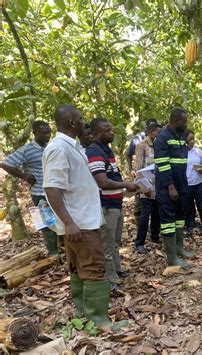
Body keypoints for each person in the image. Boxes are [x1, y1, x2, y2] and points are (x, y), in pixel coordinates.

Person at [43, 104, 110, 327]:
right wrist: (69, 223)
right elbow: (52, 188)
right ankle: (99, 321)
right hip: (79, 223)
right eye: (81, 119)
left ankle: (84, 314)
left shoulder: (73, 147)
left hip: (80, 220)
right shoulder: (58, 149)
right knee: (93, 267)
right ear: (72, 122)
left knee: (79, 267)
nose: (85, 123)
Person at [86, 118, 137, 291]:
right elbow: (102, 181)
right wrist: (125, 185)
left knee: (115, 242)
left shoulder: (107, 150)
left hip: (116, 203)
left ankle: (117, 270)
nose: (112, 133)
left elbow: (113, 176)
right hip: (105, 205)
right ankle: (111, 281)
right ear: (95, 134)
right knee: (106, 245)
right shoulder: (94, 152)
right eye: (107, 130)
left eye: (111, 129)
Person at [1, 120, 60, 256]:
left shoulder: (51, 146)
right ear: (34, 133)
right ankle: (53, 253)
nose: (47, 135)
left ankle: (64, 249)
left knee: (61, 220)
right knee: (47, 223)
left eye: (49, 133)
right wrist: (24, 176)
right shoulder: (27, 150)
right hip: (39, 193)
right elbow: (6, 164)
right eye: (43, 133)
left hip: (56, 190)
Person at [154, 108, 194, 269]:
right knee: (169, 220)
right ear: (175, 121)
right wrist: (171, 187)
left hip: (182, 184)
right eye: (184, 121)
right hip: (167, 187)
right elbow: (162, 165)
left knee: (180, 218)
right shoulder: (163, 138)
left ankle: (179, 248)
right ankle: (171, 258)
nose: (186, 124)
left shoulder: (181, 136)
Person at [125, 118, 158, 231]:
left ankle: (153, 233)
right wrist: (131, 169)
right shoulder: (138, 141)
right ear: (148, 130)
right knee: (141, 207)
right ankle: (141, 231)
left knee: (155, 209)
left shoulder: (157, 142)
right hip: (143, 179)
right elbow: (129, 155)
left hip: (155, 180)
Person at [134, 123, 162, 253]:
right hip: (147, 186)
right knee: (145, 215)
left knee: (157, 213)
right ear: (150, 132)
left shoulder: (159, 145)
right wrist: (144, 187)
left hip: (158, 184)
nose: (159, 135)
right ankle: (140, 242)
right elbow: (139, 168)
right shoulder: (142, 146)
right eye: (157, 132)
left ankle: (155, 236)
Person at [183, 130, 202, 239]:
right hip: (187, 184)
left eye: (193, 139)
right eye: (190, 139)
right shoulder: (181, 152)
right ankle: (189, 227)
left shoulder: (197, 151)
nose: (192, 141)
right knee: (188, 207)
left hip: (199, 183)